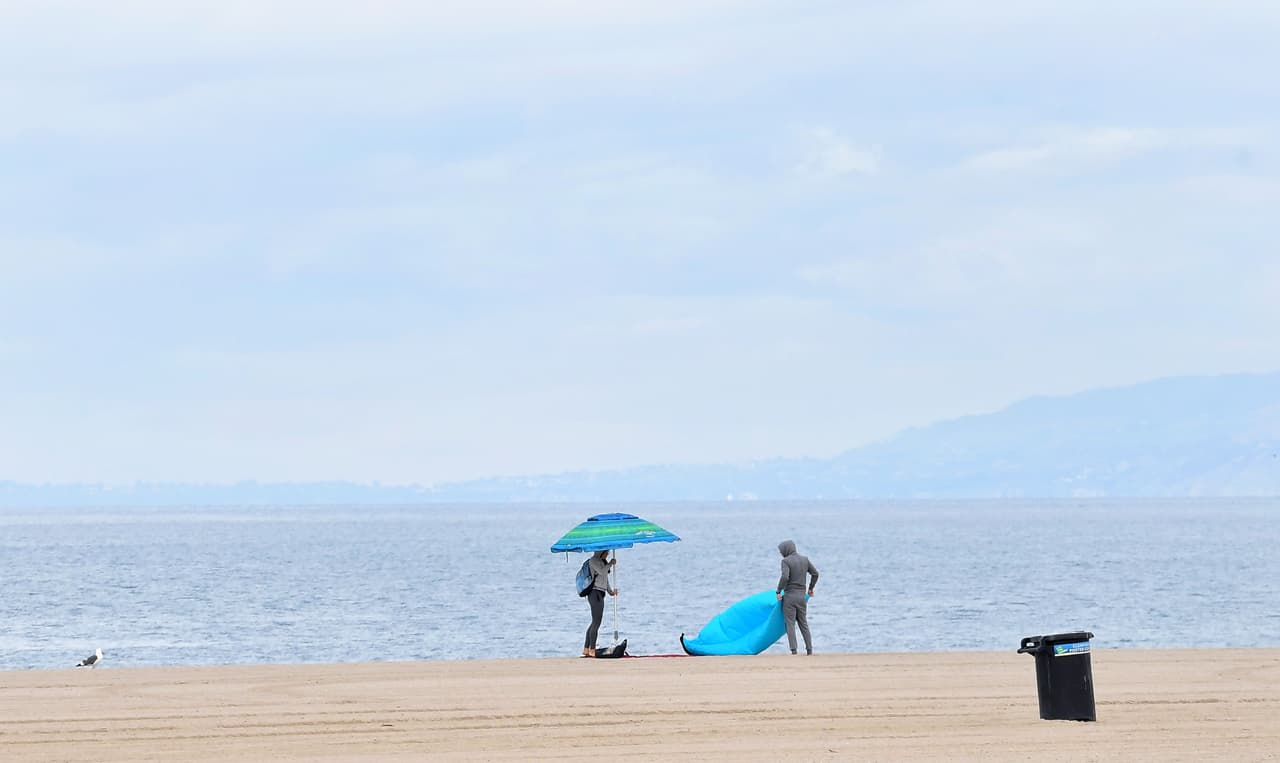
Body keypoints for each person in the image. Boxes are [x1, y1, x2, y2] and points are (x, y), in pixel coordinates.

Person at [775, 539, 819, 655]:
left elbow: (785, 577)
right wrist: (810, 589)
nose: (781, 553)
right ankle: (809, 650)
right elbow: (815, 574)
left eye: (781, 551)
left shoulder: (786, 561)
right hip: (801, 597)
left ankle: (794, 651)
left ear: (786, 550)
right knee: (803, 623)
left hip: (789, 597)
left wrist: (778, 591)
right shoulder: (804, 559)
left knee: (790, 624)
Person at [582, 549, 617, 657]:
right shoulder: (593, 561)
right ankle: (592, 649)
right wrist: (611, 563)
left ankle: (586, 648)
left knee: (594, 622)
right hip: (594, 593)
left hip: (601, 593)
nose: (607, 554)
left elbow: (605, 578)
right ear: (600, 552)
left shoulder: (603, 562)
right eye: (606, 552)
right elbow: (601, 572)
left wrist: (611, 592)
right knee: (596, 622)